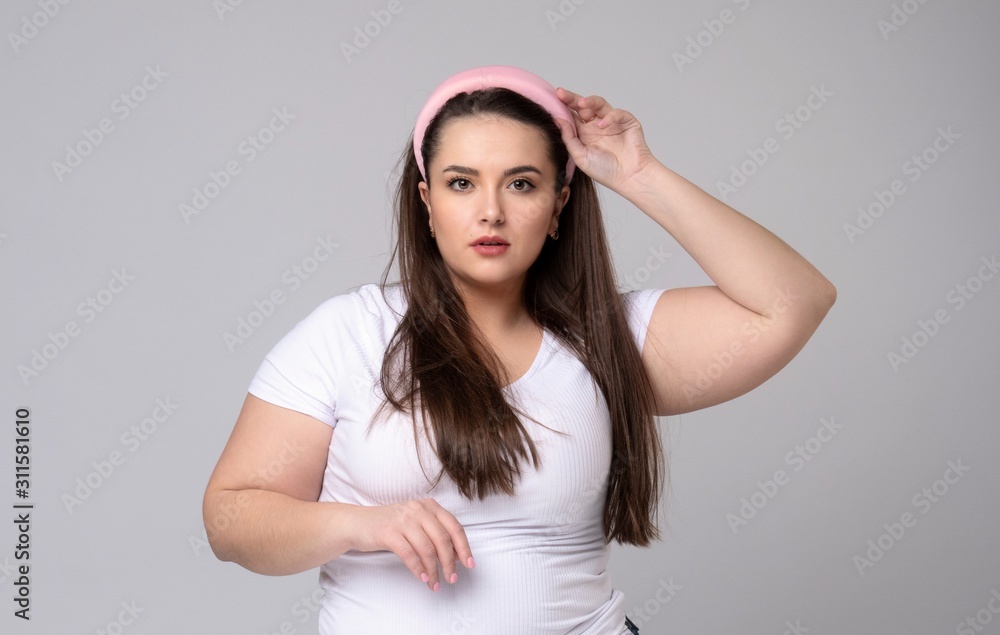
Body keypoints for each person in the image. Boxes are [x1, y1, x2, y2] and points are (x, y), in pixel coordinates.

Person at [202, 65, 836, 634]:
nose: (491, 212)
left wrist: (640, 175)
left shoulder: (608, 337)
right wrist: (357, 524)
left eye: (522, 185)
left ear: (559, 205)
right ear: (426, 203)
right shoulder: (348, 335)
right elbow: (230, 520)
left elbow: (795, 302)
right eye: (461, 183)